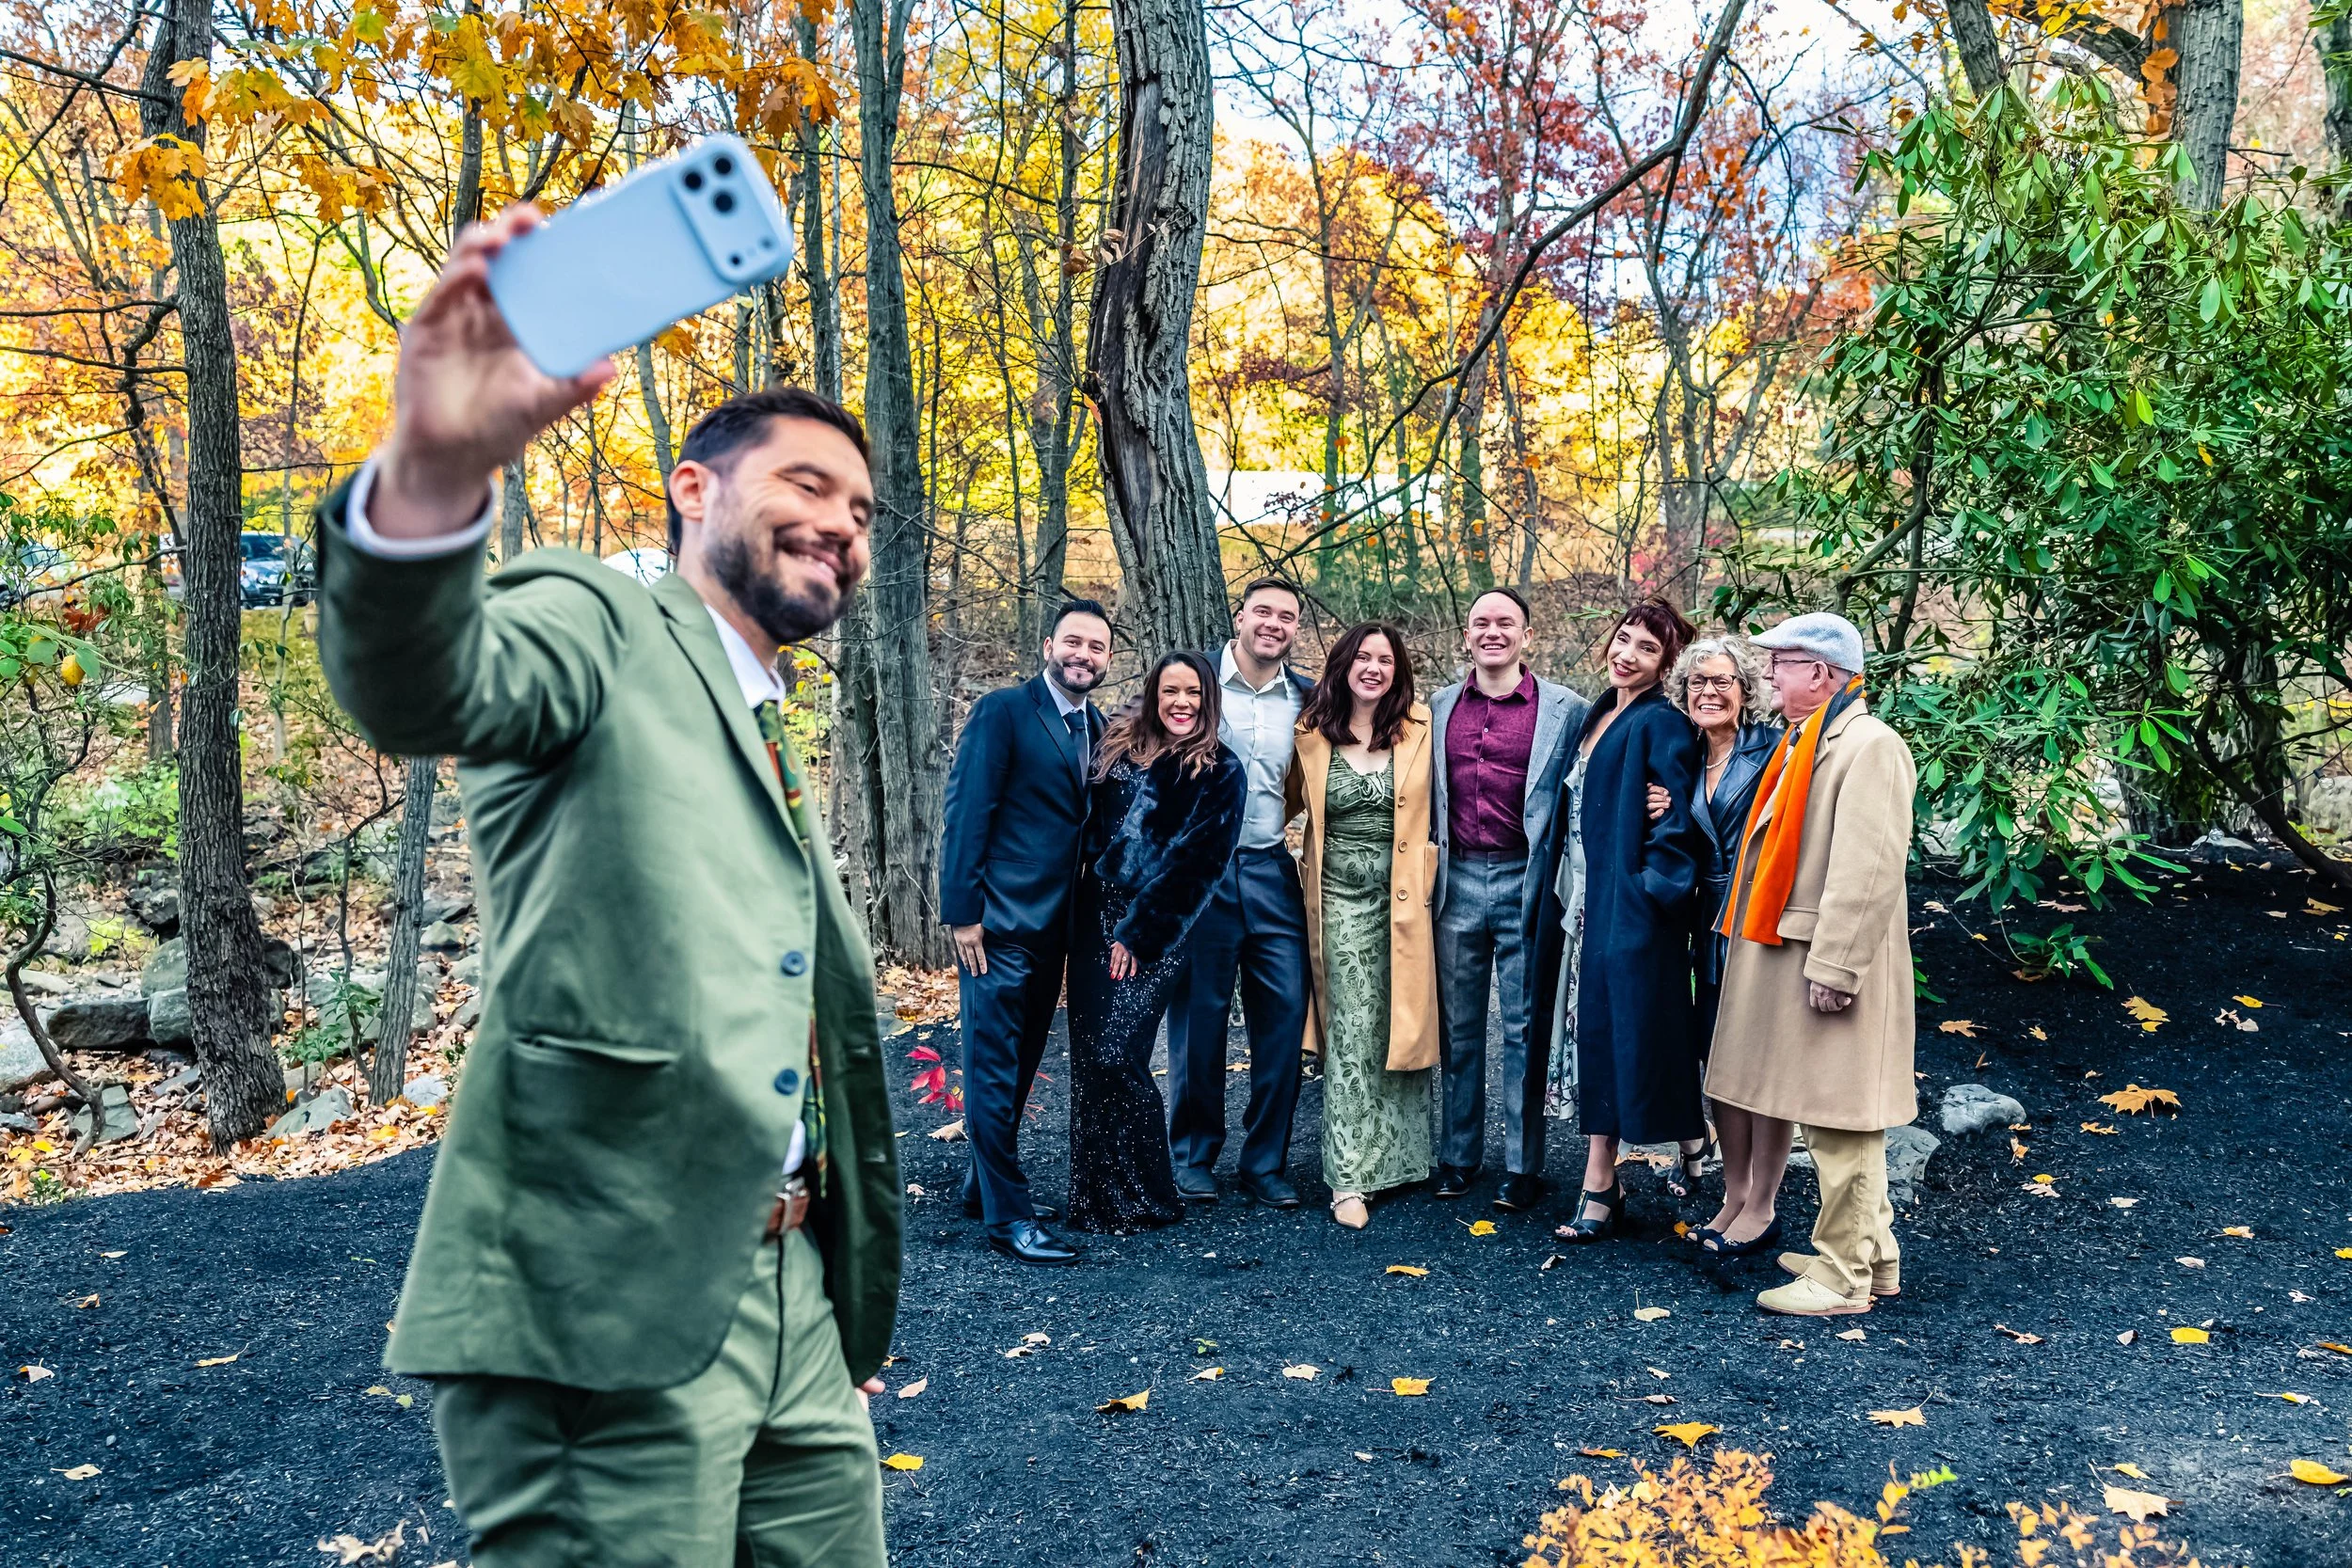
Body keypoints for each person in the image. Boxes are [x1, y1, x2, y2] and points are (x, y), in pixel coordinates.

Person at [316, 207, 898, 1566]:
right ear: (695, 490)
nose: (840, 524)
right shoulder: (599, 619)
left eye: (862, 510)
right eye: (807, 485)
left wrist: (823, 1295)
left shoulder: (765, 718)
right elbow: (427, 681)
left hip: (785, 1296)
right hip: (604, 1298)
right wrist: (430, 474)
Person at [1706, 612, 1918, 1316]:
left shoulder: (1870, 746)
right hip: (1799, 953)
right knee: (1832, 1111)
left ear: (1823, 675)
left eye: (1783, 663)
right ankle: (1874, 1256)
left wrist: (1837, 967)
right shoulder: (1811, 740)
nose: (1769, 675)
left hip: (1829, 960)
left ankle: (1842, 1275)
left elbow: (1869, 869)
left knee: (1842, 1117)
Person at [939, 601, 1113, 1265]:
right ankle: (1009, 1217)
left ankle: (981, 1187)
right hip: (997, 926)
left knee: (1018, 1067)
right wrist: (962, 911)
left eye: (1097, 647)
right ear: (1049, 643)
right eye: (1074, 640)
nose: (1084, 655)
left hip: (1054, 930)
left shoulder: (1095, 725)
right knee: (991, 1067)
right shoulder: (1004, 711)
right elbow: (966, 812)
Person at [1064, 653, 1247, 1234]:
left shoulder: (1219, 771)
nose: (1182, 703)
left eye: (1194, 692)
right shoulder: (1116, 741)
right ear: (1154, 693)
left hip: (1153, 927)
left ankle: (1149, 1193)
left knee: (1121, 1054)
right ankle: (1095, 1197)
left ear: (1208, 699)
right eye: (1171, 691)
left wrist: (1141, 935)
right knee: (1093, 1056)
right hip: (1092, 914)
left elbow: (1198, 866)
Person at [1550, 600, 1708, 1244]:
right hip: (1585, 903)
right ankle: (1692, 1142)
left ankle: (1599, 1182)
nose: (1627, 654)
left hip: (1629, 912)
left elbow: (1676, 827)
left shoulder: (1661, 722)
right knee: (1611, 1042)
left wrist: (1649, 897)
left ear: (1666, 664)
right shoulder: (1600, 712)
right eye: (1623, 639)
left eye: (1646, 647)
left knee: (1618, 1042)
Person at [1428, 587, 1588, 1212]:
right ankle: (1458, 1155)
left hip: (1528, 878)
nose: (1492, 632)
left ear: (1527, 634)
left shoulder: (1565, 709)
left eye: (1505, 623)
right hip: (1457, 879)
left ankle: (1524, 1164)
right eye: (1480, 623)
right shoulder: (1437, 707)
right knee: (1458, 1027)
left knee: (1525, 1026)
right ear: (1465, 636)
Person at [1167, 579, 1316, 1207]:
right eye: (1263, 611)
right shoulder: (1191, 682)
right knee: (1199, 1019)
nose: (1273, 623)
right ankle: (1194, 1154)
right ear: (1240, 615)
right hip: (1201, 870)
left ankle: (1264, 1160)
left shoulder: (1308, 699)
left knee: (1285, 1014)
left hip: (1270, 863)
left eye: (1286, 616)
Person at [1286, 624, 1438, 1229]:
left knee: (1397, 1023)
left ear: (1398, 670)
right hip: (1338, 899)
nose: (1373, 667)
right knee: (1351, 1028)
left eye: (1385, 659)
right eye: (1362, 657)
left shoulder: (1422, 727)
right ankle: (1348, 1175)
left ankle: (1401, 1160)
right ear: (1343, 664)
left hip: (1405, 899)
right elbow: (1277, 800)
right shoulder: (1309, 733)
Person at [1660, 636, 1788, 1256]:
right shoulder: (1682, 756)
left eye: (1722, 681)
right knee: (1721, 1068)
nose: (1709, 692)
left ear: (1747, 691)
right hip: (1705, 923)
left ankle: (1763, 1204)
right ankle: (1733, 1193)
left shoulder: (1772, 749)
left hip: (1762, 920)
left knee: (1762, 1069)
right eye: (1697, 683)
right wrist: (1659, 806)